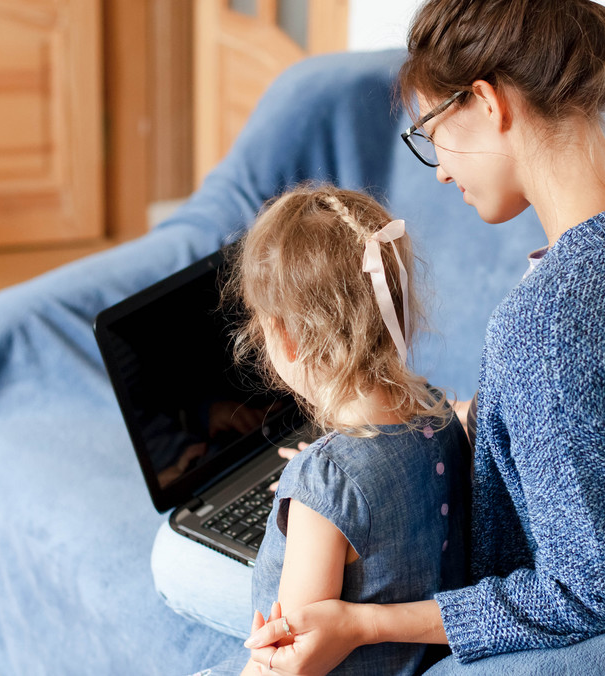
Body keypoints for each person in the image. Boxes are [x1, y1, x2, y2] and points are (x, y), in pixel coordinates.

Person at [242, 0, 605, 672]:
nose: (437, 167)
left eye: (430, 129)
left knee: (185, 561)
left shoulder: (546, 330)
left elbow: (589, 592)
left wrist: (359, 624)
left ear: (489, 104)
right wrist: (365, 456)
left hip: (464, 590)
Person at [186, 184, 471, 676]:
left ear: (288, 340)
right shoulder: (438, 413)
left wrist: (323, 489)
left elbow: (289, 659)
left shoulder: (327, 480)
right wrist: (323, 490)